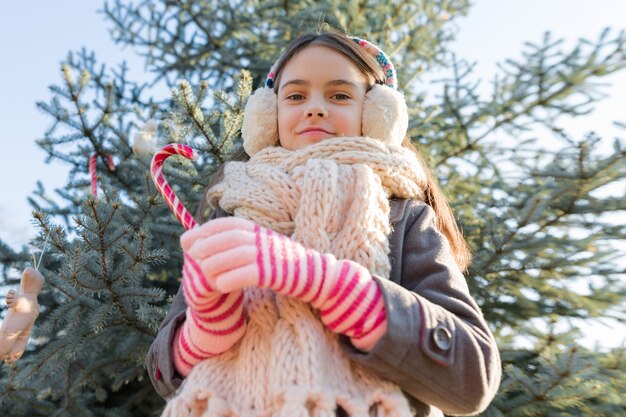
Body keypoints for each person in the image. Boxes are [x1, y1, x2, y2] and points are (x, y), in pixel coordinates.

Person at [146, 31, 501, 417]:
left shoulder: (405, 217)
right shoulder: (232, 212)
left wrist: (327, 283)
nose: (315, 108)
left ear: (377, 115)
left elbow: (473, 377)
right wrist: (203, 331)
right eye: (296, 96)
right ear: (268, 116)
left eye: (340, 95)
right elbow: (165, 374)